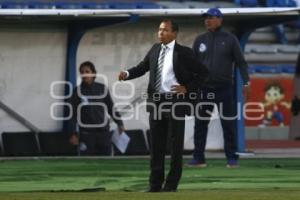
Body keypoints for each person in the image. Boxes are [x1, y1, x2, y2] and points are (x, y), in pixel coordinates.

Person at [118, 19, 207, 192]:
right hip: (156, 101)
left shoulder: (184, 53)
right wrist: (127, 73)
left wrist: (187, 88)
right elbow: (142, 68)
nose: (161, 33)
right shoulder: (154, 49)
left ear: (174, 33)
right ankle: (154, 184)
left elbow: (204, 72)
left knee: (175, 145)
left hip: (175, 101)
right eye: (159, 30)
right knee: (157, 145)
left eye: (165, 30)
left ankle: (171, 184)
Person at [187, 8, 250, 168]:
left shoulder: (230, 39)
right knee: (200, 124)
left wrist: (246, 81)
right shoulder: (200, 40)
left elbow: (241, 62)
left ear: (220, 20)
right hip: (204, 89)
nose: (207, 20)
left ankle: (231, 158)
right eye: (206, 18)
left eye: (211, 17)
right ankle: (199, 158)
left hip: (224, 88)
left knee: (228, 124)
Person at [69, 61, 124, 155]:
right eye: (82, 72)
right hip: (86, 134)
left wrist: (120, 123)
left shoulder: (102, 88)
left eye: (87, 71)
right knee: (86, 164)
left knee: (106, 162)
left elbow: (111, 107)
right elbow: (73, 114)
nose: (84, 74)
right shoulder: (77, 91)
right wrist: (73, 134)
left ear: (93, 72)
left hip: (103, 133)